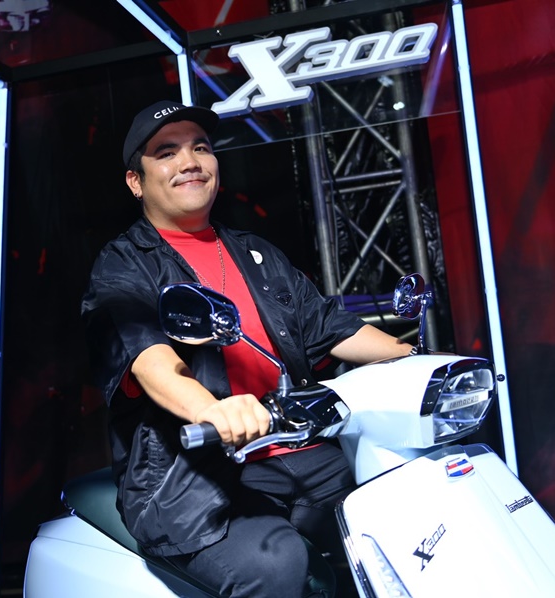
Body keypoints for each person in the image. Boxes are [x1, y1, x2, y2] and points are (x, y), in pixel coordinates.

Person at [81, 100, 414, 598]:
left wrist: (414, 360)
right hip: (193, 476)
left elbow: (329, 326)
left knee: (412, 504)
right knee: (275, 564)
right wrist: (213, 411)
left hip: (299, 449)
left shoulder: (255, 252)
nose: (190, 162)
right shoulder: (123, 266)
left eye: (200, 148)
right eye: (167, 153)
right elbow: (150, 362)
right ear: (136, 181)